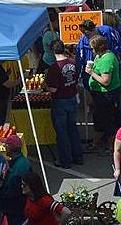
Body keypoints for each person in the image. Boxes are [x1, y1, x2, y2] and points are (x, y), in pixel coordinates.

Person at [43, 40, 82, 168]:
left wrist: (45, 86)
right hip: (72, 98)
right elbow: (76, 80)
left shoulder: (54, 68)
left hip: (60, 101)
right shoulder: (73, 62)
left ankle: (65, 161)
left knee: (62, 133)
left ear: (52, 51)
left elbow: (53, 89)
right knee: (73, 129)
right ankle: (78, 157)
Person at [86, 35, 121, 149]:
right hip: (98, 94)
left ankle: (111, 147)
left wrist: (91, 73)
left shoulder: (107, 59)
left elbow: (105, 81)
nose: (92, 50)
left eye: (93, 48)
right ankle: (96, 143)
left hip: (106, 95)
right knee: (98, 119)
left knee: (106, 120)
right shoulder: (99, 56)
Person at [0, 135, 32, 225]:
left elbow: (12, 190)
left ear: (9, 148)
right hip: (19, 207)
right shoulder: (22, 162)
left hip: (16, 208)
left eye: (6, 145)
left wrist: (0, 189)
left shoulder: (18, 168)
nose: (4, 148)